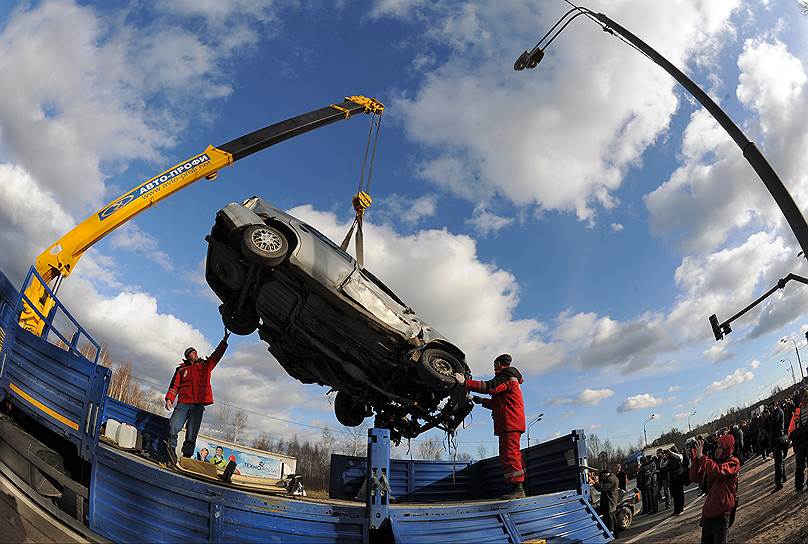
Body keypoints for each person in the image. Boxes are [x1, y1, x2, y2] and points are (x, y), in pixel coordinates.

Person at [455, 353, 526, 499]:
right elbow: (498, 403)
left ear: (499, 364)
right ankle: (518, 487)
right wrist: (481, 401)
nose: (494, 368)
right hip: (510, 422)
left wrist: (466, 383)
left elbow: (489, 387)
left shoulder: (506, 375)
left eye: (494, 365)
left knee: (509, 454)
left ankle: (518, 489)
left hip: (509, 422)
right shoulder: (511, 378)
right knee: (513, 454)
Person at [164, 329, 230, 464]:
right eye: (192, 353)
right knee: (173, 427)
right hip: (183, 403)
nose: (195, 354)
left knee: (191, 433)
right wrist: (170, 399)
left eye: (195, 352)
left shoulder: (205, 365)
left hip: (198, 406)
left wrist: (224, 342)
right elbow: (174, 386)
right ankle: (170, 454)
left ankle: (186, 459)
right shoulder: (181, 370)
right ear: (188, 356)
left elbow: (216, 355)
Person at [690, 434, 740, 544]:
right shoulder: (712, 462)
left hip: (721, 514)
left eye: (721, 447)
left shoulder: (733, 462)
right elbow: (694, 477)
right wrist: (696, 458)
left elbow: (717, 471)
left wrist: (702, 457)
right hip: (708, 513)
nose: (717, 450)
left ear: (728, 448)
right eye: (717, 447)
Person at [590, 467, 620, 539]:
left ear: (606, 474)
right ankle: (615, 535)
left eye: (602, 476)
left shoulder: (611, 480)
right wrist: (594, 479)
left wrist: (594, 482)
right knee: (612, 519)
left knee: (610, 520)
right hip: (610, 502)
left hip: (610, 502)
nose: (602, 477)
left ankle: (612, 535)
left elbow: (601, 488)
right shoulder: (611, 477)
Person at [789, 389, 808, 492]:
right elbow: (790, 432)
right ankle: (799, 487)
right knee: (799, 466)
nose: (806, 398)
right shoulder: (797, 412)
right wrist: (799, 432)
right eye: (804, 396)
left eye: (807, 395)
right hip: (800, 444)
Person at [767, 401, 787, 491]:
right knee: (779, 461)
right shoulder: (774, 414)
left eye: (771, 408)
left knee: (778, 463)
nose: (770, 410)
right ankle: (784, 477)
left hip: (778, 439)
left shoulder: (779, 412)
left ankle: (778, 483)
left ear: (775, 406)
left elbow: (773, 423)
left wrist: (769, 416)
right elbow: (766, 426)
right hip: (775, 440)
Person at [665, 446, 686, 515]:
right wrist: (663, 457)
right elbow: (662, 465)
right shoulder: (669, 459)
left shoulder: (679, 456)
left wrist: (671, 453)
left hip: (679, 477)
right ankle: (676, 510)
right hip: (672, 479)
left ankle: (681, 509)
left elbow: (679, 457)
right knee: (674, 495)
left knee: (679, 494)